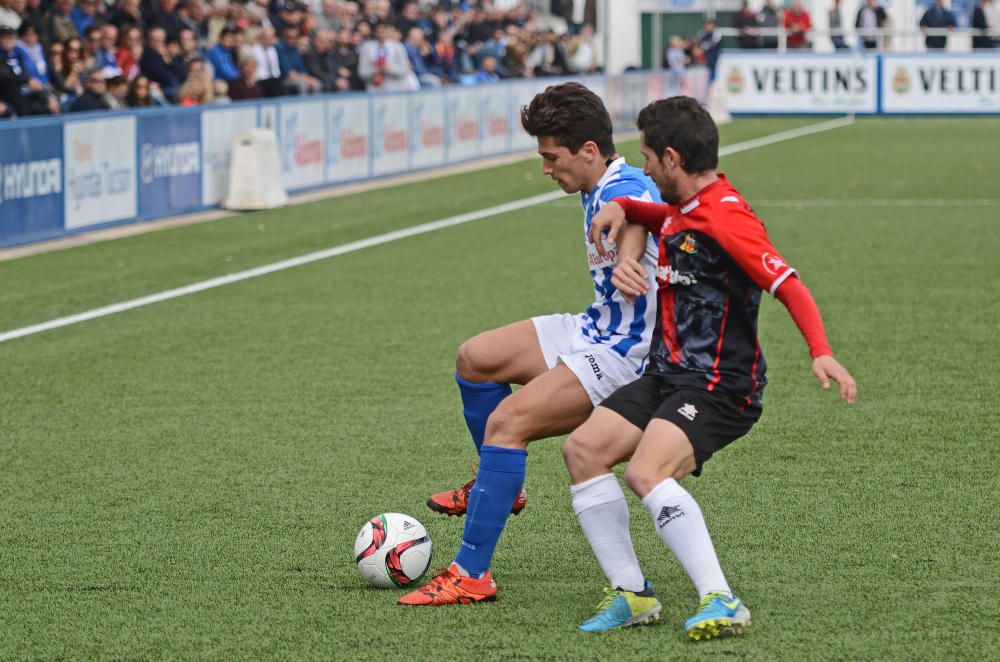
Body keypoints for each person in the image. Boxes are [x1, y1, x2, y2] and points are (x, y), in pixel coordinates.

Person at [559, 96, 856, 636]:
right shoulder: (685, 208)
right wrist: (624, 209)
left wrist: (821, 351)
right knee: (582, 450)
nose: (643, 169)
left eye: (648, 158)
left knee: (645, 473)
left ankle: (720, 599)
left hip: (721, 386)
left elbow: (788, 284)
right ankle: (632, 595)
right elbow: (662, 215)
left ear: (671, 158)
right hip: (667, 374)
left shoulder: (726, 216)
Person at [398, 82, 662, 607]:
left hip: (627, 351)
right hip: (597, 325)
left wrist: (631, 249)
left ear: (589, 150)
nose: (546, 168)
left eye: (551, 157)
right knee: (475, 359)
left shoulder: (623, 186)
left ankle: (472, 573)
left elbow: (641, 206)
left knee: (508, 423)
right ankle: (500, 486)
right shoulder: (601, 182)